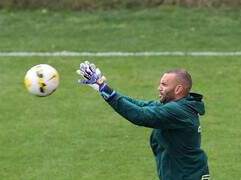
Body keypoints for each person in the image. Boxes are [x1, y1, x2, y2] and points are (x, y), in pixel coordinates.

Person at [77, 61, 210, 180]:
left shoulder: (176, 111)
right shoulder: (175, 106)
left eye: (164, 85)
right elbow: (139, 105)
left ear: (178, 89)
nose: (159, 88)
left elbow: (139, 115)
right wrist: (102, 88)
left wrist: (104, 89)